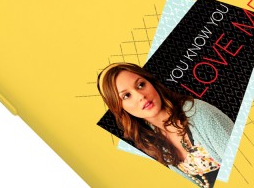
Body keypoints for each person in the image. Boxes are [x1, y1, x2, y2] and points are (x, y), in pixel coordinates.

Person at [97, 62, 234, 188]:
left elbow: (241, 161)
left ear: (151, 83)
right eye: (126, 95)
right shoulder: (151, 139)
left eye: (141, 85)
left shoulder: (200, 114)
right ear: (119, 108)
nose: (140, 96)